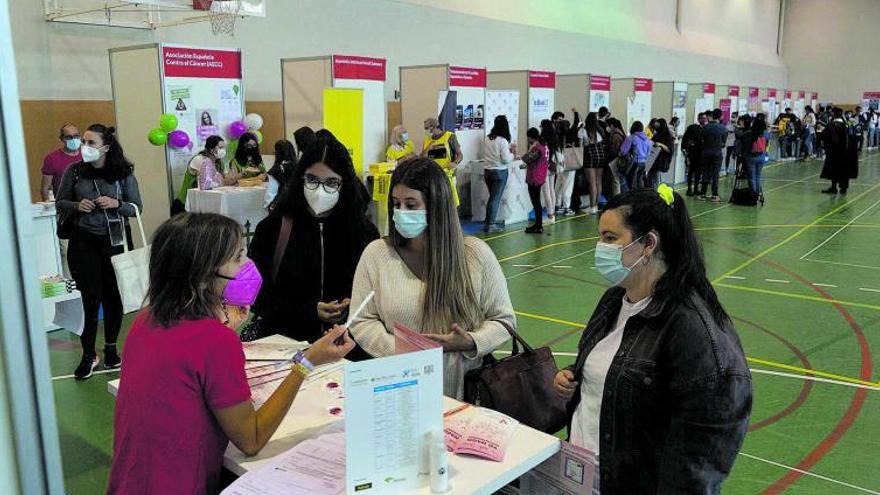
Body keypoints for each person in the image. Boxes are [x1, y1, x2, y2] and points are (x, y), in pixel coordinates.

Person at [107, 213, 355, 495]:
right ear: (201, 276)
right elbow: (251, 439)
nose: (248, 265)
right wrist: (306, 362)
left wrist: (223, 326)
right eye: (238, 258)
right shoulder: (215, 340)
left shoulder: (146, 319)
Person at [553, 186, 752, 493]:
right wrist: (577, 374)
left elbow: (698, 463)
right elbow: (620, 367)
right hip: (584, 479)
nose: (599, 247)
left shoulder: (694, 331)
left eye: (609, 238)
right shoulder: (614, 300)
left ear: (648, 244)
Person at [349, 159, 514, 399]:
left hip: (465, 393)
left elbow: (504, 320)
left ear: (436, 206)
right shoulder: (376, 254)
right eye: (396, 204)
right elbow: (361, 321)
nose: (401, 212)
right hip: (398, 389)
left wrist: (470, 341)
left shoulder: (475, 254)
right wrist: (400, 350)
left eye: (411, 204)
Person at [249, 138, 379, 343]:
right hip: (286, 343)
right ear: (300, 178)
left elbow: (375, 292)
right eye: (312, 179)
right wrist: (308, 309)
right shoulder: (273, 228)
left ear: (344, 184)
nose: (319, 190)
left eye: (331, 182)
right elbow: (255, 293)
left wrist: (353, 304)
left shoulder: (363, 232)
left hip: (347, 346)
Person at [55, 124, 143, 380]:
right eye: (83, 141)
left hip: (114, 241)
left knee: (113, 297)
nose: (85, 147)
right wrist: (76, 204)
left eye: (91, 143)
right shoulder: (73, 172)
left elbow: (137, 207)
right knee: (89, 299)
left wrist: (117, 204)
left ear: (106, 147)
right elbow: (60, 203)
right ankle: (87, 354)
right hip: (83, 242)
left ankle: (111, 349)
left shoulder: (123, 173)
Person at [481, 115, 516, 233]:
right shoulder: (502, 141)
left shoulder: (487, 138)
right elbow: (506, 159)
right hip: (499, 172)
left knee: (492, 198)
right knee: (495, 199)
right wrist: (513, 154)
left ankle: (488, 221)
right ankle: (491, 224)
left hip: (487, 171)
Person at [421, 117, 462, 207]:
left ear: (432, 127)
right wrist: (428, 148)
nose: (426, 131)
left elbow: (460, 155)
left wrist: (455, 163)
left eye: (426, 128)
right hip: (433, 175)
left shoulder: (450, 136)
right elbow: (422, 157)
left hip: (448, 174)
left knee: (450, 202)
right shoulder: (427, 140)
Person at [821, 107, 858, 195]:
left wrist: (826, 145)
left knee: (834, 170)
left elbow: (832, 138)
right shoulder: (847, 124)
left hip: (835, 152)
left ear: (834, 114)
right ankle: (843, 189)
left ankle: (834, 188)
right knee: (844, 171)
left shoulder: (832, 125)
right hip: (847, 152)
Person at [41, 123, 82, 202]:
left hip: (85, 206)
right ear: (62, 139)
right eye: (68, 137)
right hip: (64, 206)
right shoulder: (52, 159)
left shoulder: (86, 156)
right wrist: (51, 209)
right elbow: (45, 189)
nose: (73, 139)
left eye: (76, 136)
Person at [521, 127, 549, 234]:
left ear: (530, 137)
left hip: (535, 177)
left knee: (536, 202)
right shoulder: (544, 145)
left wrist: (527, 152)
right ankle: (538, 224)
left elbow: (528, 158)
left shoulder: (537, 148)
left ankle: (538, 225)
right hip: (540, 175)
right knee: (537, 202)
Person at [698, 109, 728, 202]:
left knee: (705, 173)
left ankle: (702, 194)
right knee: (715, 174)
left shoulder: (705, 127)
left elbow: (701, 140)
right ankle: (714, 195)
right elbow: (723, 143)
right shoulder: (723, 128)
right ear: (720, 116)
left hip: (706, 152)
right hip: (717, 153)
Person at [580, 112, 606, 214]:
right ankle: (598, 204)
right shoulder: (600, 130)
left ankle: (592, 207)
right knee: (598, 182)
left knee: (591, 183)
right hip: (601, 156)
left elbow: (581, 145)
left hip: (589, 157)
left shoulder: (584, 131)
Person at [264, 139, 297, 209]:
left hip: (282, 205)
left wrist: (268, 205)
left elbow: (271, 193)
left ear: (277, 152)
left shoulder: (276, 170)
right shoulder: (299, 166)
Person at [619, 121, 652, 190]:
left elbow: (623, 151)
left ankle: (632, 199)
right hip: (643, 163)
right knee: (640, 182)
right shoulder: (648, 139)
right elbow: (649, 153)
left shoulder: (631, 138)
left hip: (633, 164)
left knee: (631, 183)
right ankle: (640, 198)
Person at [682, 112, 707, 196]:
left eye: (705, 118)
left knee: (698, 172)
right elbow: (685, 139)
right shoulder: (692, 128)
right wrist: (685, 152)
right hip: (693, 154)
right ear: (698, 119)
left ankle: (696, 188)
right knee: (691, 171)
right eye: (702, 118)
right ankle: (689, 188)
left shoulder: (706, 129)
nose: (703, 120)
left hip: (702, 154)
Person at [540, 120, 558, 224]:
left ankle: (550, 215)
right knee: (552, 189)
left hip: (545, 166)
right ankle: (553, 214)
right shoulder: (555, 138)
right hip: (553, 166)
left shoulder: (543, 139)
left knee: (546, 191)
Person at [745, 116, 769, 195]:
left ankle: (753, 194)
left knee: (752, 176)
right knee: (758, 175)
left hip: (751, 156)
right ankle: (758, 193)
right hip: (761, 156)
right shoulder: (765, 133)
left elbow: (742, 137)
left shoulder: (750, 132)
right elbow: (767, 142)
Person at [648, 118, 673, 189]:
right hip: (653, 159)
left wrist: (660, 144)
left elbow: (669, 150)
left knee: (655, 180)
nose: (656, 128)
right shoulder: (657, 134)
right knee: (650, 179)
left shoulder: (668, 136)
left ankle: (655, 196)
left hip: (660, 161)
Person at [605, 118, 627, 197]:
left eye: (608, 126)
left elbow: (615, 150)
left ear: (612, 126)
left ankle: (617, 198)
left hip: (615, 160)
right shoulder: (620, 133)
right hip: (619, 159)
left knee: (616, 181)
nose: (607, 128)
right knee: (619, 180)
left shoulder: (616, 135)